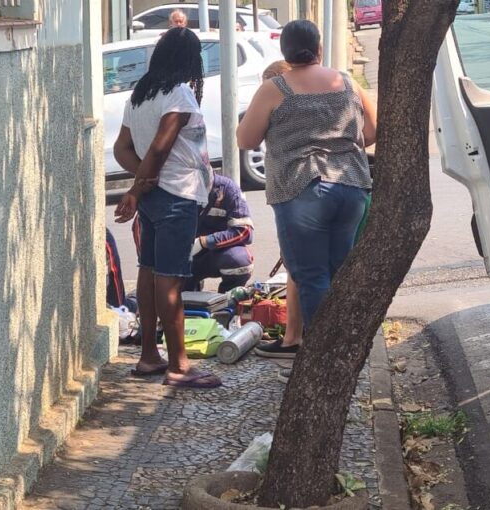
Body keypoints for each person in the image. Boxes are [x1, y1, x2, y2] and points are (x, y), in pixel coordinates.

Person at [237, 20, 376, 341]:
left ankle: (324, 356)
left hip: (301, 190)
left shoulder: (275, 88)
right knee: (337, 273)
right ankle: (345, 347)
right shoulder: (346, 82)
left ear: (284, 51)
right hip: (351, 187)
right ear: (319, 49)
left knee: (311, 277)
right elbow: (371, 130)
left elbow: (245, 139)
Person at [112, 26, 221, 389]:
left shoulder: (140, 96)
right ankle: (178, 366)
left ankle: (148, 356)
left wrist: (143, 181)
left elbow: (123, 150)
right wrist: (139, 186)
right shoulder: (180, 94)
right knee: (170, 278)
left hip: (159, 195)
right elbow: (159, 148)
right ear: (190, 61)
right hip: (177, 195)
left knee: (149, 270)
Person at [251, 60, 305, 360]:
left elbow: (245, 138)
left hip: (294, 191)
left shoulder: (284, 97)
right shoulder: (325, 90)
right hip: (324, 190)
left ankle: (298, 339)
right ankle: (295, 337)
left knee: (301, 270)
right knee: (299, 270)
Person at [130, 173, 255, 293]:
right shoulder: (167, 192)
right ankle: (188, 288)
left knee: (239, 260)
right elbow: (142, 236)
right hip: (179, 259)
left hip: (216, 254)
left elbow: (245, 231)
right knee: (170, 296)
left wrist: (204, 242)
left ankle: (227, 302)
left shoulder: (226, 188)